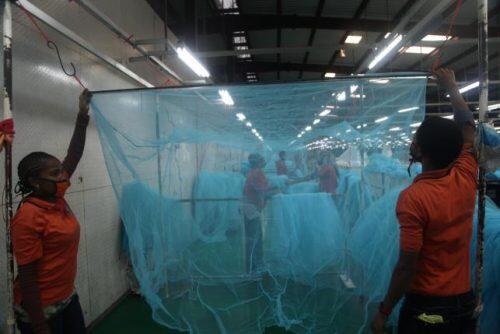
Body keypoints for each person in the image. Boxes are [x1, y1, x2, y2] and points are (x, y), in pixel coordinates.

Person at [371, 68, 477, 334]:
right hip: (463, 302)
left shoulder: (414, 198)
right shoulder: (465, 175)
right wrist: (452, 87)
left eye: (415, 139)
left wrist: (384, 311)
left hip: (427, 308)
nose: (412, 143)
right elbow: (468, 128)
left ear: (420, 150)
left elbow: (407, 266)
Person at [12, 89, 92, 334]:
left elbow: (74, 155)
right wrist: (38, 324)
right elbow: (26, 276)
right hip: (40, 310)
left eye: (60, 170)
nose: (63, 176)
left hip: (67, 297)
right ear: (35, 181)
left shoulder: (55, 195)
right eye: (55, 173)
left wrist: (82, 113)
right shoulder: (28, 216)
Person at [242, 153, 278, 273]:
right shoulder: (258, 172)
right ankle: (255, 267)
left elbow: (258, 189)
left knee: (251, 239)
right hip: (251, 209)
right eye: (262, 159)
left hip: (247, 208)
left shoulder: (251, 172)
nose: (264, 161)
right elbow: (262, 191)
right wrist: (275, 191)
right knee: (255, 239)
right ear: (259, 161)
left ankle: (251, 266)